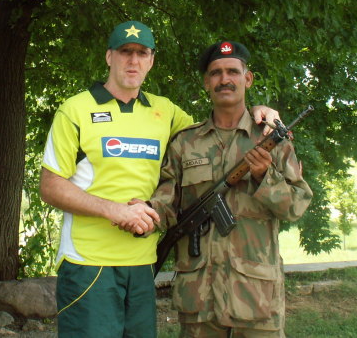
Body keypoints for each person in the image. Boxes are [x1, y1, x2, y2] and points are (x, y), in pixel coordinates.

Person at [39, 21, 280, 338]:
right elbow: (50, 187)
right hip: (89, 264)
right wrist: (116, 211)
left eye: (142, 53)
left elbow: (216, 135)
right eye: (126, 52)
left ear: (151, 60)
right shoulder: (75, 110)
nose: (133, 61)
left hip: (143, 265)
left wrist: (259, 111)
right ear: (110, 57)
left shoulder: (164, 111)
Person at [148, 41, 313, 337]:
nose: (225, 79)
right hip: (198, 302)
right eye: (216, 73)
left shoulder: (272, 138)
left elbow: (297, 206)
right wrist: (139, 213)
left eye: (233, 72)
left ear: (247, 79)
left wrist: (265, 176)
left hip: (257, 301)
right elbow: (165, 205)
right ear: (206, 83)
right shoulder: (185, 143)